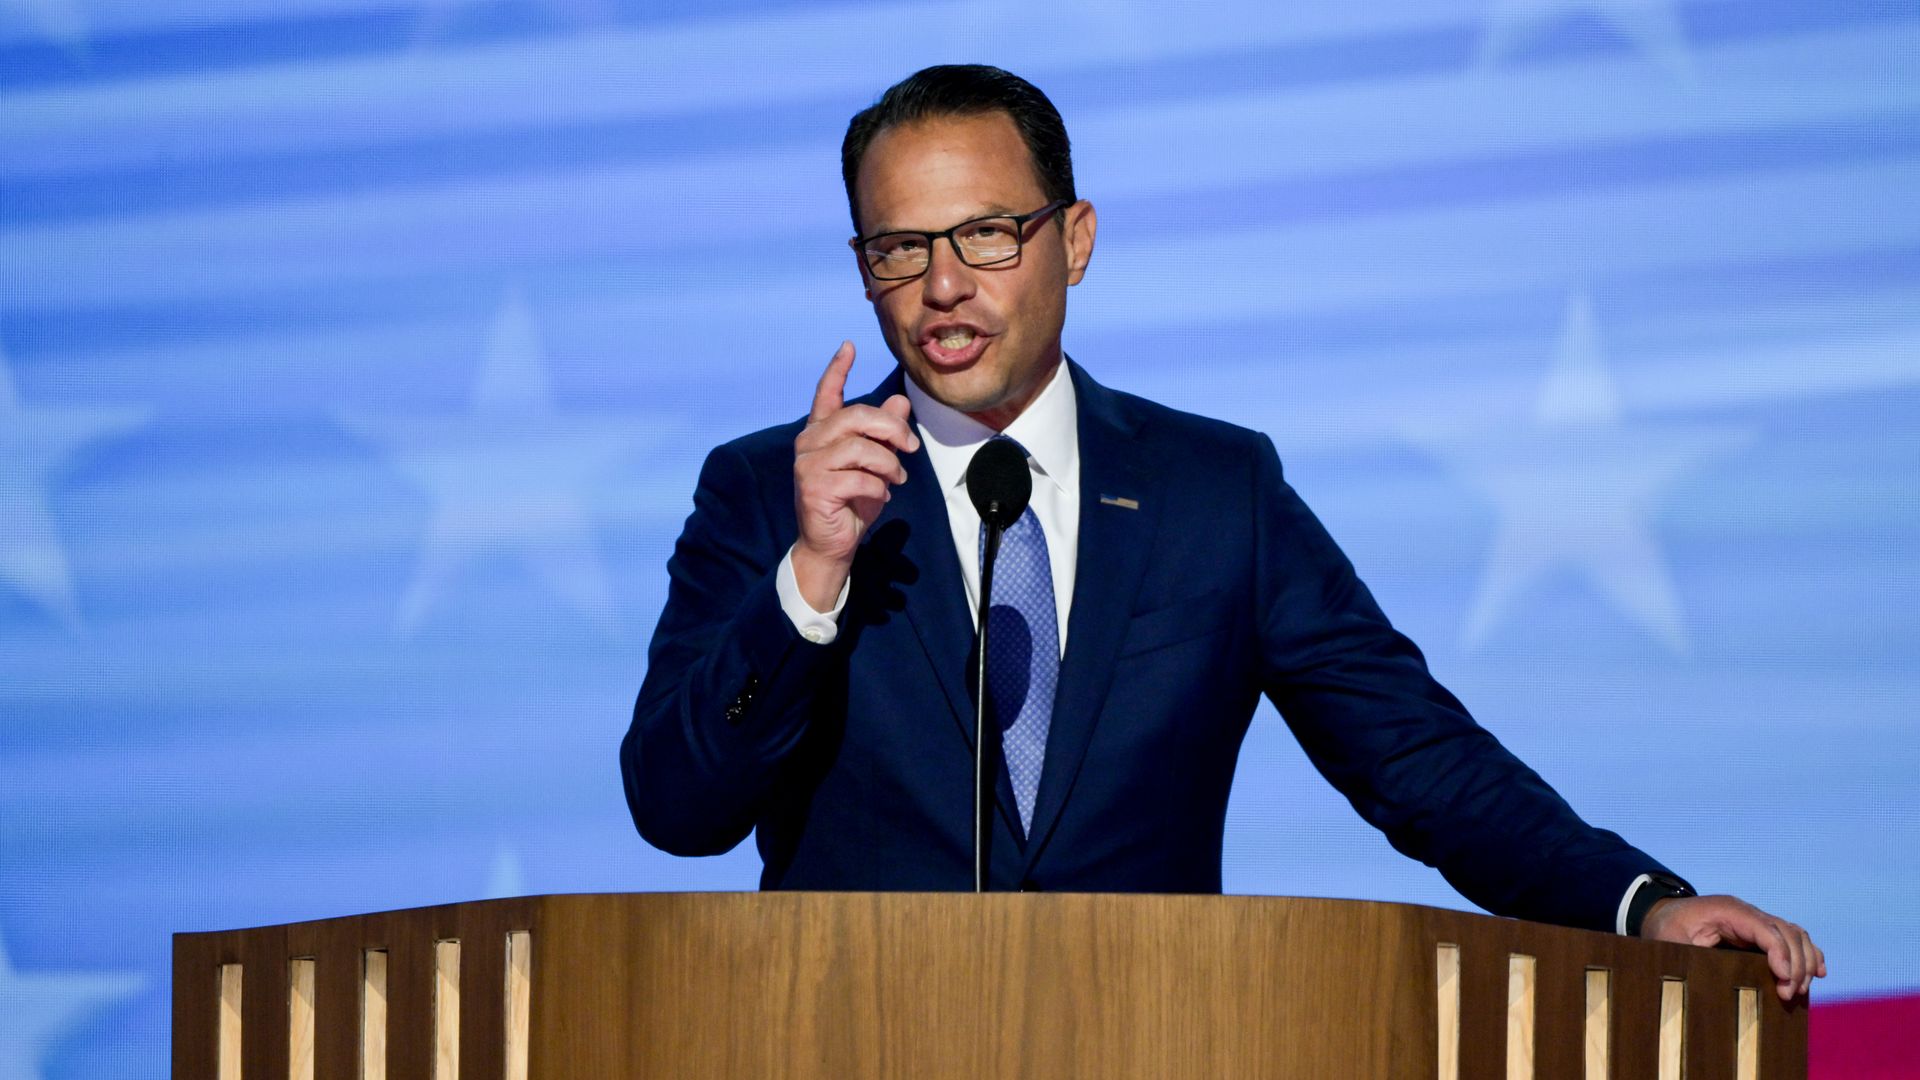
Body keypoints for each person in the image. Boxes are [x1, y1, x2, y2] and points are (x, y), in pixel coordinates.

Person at [622, 64, 1825, 1001]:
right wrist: (811, 579)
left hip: (1158, 1035)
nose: (944, 284)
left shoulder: (1214, 491)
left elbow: (1416, 759)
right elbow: (679, 810)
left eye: (989, 232)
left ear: (1076, 239)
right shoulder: (765, 493)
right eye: (900, 248)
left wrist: (1638, 903)